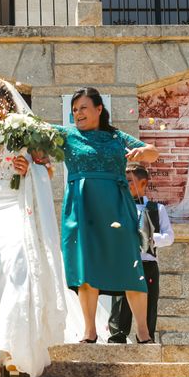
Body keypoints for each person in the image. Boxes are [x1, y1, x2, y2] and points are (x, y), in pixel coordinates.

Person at [0, 78, 69, 377]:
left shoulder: (24, 131)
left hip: (17, 206)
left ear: (8, 102)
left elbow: (47, 168)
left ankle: (11, 353)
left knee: (18, 270)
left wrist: (29, 168)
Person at [57, 87, 159, 344]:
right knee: (86, 265)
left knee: (128, 262)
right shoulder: (67, 135)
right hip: (82, 205)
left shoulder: (117, 136)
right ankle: (90, 331)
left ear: (99, 109)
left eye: (83, 108)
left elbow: (152, 152)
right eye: (74, 110)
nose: (77, 114)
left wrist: (142, 153)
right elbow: (37, 138)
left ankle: (144, 333)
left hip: (116, 203)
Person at [108, 164, 174, 343]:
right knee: (120, 301)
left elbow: (169, 237)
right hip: (124, 262)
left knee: (150, 301)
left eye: (129, 181)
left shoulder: (157, 209)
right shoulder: (117, 208)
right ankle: (117, 335)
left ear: (143, 183)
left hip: (148, 263)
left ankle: (146, 337)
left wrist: (149, 238)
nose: (124, 184)